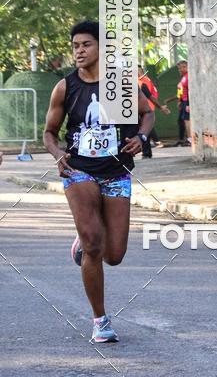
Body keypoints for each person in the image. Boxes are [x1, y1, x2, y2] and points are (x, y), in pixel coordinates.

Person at [44, 21, 154, 343]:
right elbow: (49, 132)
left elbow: (147, 113)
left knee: (114, 254)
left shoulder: (120, 84)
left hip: (116, 172)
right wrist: (57, 154)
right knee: (94, 243)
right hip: (79, 169)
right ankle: (100, 320)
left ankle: (84, 242)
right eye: (75, 45)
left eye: (86, 45)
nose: (79, 51)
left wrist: (141, 137)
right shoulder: (65, 87)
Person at [137, 66, 169, 158]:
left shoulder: (141, 83)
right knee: (144, 129)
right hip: (141, 110)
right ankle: (147, 151)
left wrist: (161, 107)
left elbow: (151, 97)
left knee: (144, 129)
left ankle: (147, 151)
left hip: (143, 110)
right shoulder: (141, 82)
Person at [164, 60, 190, 146]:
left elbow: (189, 91)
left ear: (186, 67)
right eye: (178, 68)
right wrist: (179, 101)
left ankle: (189, 139)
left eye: (181, 68)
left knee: (186, 120)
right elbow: (181, 93)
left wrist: (188, 103)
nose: (179, 70)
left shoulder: (188, 77)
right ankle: (182, 139)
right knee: (181, 121)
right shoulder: (183, 78)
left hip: (186, 101)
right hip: (183, 101)